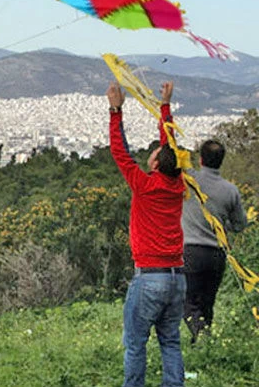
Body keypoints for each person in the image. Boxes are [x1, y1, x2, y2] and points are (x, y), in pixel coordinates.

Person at [108, 81, 187, 387]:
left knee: (136, 342)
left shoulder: (146, 186)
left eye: (154, 154)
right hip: (177, 275)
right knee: (170, 342)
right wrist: (164, 105)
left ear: (155, 165)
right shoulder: (178, 187)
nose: (153, 153)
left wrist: (116, 111)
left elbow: (120, 152)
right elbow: (169, 146)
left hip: (151, 276)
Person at [182, 140, 249, 342]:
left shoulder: (190, 180)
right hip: (217, 254)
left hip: (191, 251)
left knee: (187, 302)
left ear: (201, 159)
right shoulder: (230, 190)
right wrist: (221, 226)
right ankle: (204, 345)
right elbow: (240, 224)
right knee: (206, 303)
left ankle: (201, 337)